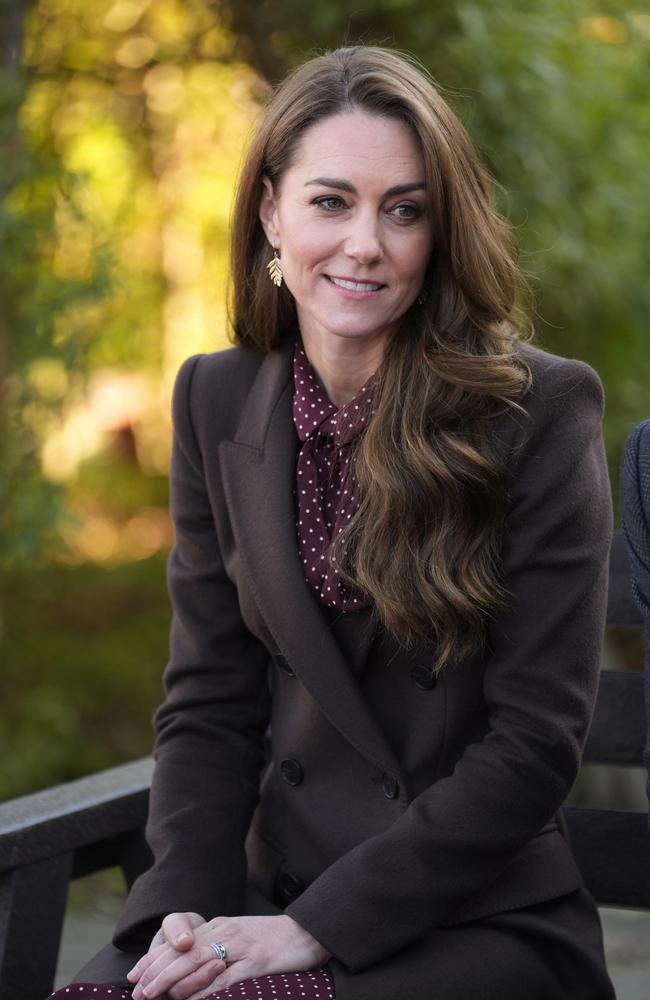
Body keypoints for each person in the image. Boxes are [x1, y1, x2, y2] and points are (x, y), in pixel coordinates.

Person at [49, 44, 616, 1000]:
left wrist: (315, 931)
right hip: (263, 897)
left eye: (404, 210)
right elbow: (208, 703)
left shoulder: (538, 412)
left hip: (467, 918)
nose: (365, 243)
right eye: (330, 201)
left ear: (440, 233)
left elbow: (534, 746)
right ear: (270, 209)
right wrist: (179, 907)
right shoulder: (213, 399)